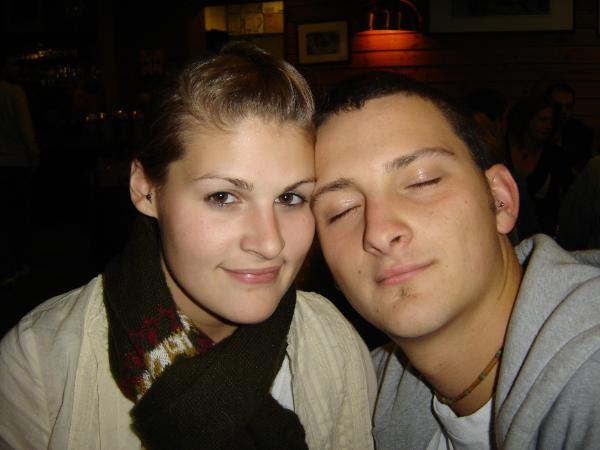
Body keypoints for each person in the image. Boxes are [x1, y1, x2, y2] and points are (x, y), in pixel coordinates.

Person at [0, 43, 376, 450]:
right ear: (146, 190)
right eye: (223, 197)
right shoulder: (40, 362)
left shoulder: (332, 341)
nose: (270, 243)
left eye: (290, 198)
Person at [311, 71, 600, 449]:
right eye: (342, 210)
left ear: (500, 201)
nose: (379, 231)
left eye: (423, 181)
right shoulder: (354, 397)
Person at [0, 52, 40, 286]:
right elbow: (25, 129)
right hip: (15, 162)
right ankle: (18, 264)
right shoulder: (14, 93)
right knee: (17, 216)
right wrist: (34, 154)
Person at [505, 94, 569, 238]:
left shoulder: (554, 154)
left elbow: (567, 195)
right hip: (504, 228)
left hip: (541, 234)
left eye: (552, 122)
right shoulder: (502, 148)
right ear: (526, 118)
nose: (548, 126)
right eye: (543, 120)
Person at [545, 82, 594, 179]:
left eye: (568, 107)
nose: (564, 111)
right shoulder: (537, 131)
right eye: (558, 106)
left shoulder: (581, 133)